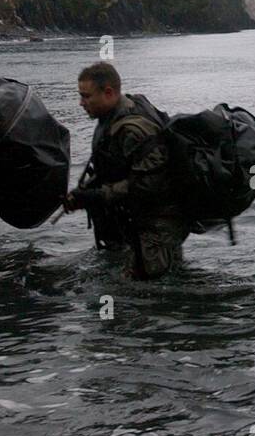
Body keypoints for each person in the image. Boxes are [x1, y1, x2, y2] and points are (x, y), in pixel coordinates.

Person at [62, 62, 190, 280]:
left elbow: (149, 184)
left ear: (109, 92)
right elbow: (115, 168)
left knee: (151, 288)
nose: (81, 103)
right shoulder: (111, 118)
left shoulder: (134, 129)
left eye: (86, 96)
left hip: (158, 224)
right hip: (136, 221)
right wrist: (83, 195)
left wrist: (95, 196)